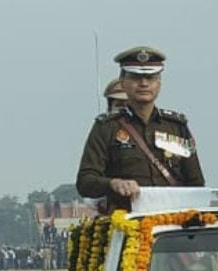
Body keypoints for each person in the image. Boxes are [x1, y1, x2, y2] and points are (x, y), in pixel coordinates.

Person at [76, 46, 206, 211]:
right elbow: (85, 181)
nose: (144, 83)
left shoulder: (176, 127)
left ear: (159, 83)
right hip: (127, 222)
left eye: (150, 77)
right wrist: (113, 184)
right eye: (136, 77)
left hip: (173, 224)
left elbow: (196, 183)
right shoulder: (106, 127)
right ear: (123, 82)